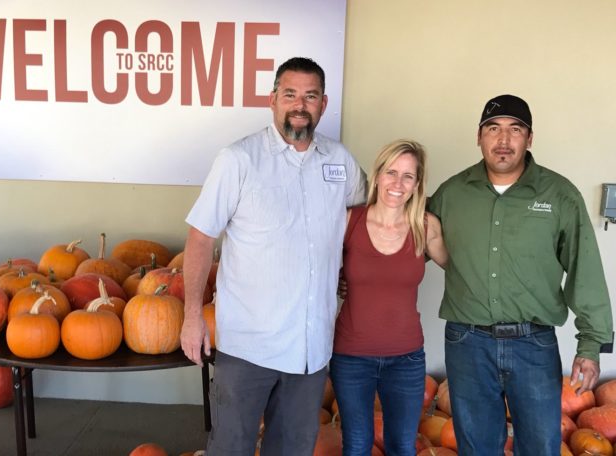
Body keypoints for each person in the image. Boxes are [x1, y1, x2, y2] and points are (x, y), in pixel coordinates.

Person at [180, 57, 367, 455]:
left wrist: (350, 269)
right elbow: (199, 238)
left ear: (323, 103)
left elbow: (365, 218)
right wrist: (192, 316)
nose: (300, 104)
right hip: (249, 347)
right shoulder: (239, 159)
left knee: (293, 449)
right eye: (290, 94)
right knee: (231, 447)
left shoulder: (340, 162)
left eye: (310, 95)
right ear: (273, 99)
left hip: (310, 349)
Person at [427, 94, 613, 454]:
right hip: (468, 344)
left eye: (515, 130)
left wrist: (591, 344)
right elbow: (408, 245)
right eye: (493, 129)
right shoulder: (452, 193)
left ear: (529, 139)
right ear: (479, 137)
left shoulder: (559, 195)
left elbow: (584, 270)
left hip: (533, 344)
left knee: (541, 446)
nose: (503, 140)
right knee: (476, 446)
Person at [331, 140, 447, 455]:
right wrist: (339, 282)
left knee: (402, 446)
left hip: (406, 359)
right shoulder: (348, 221)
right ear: (378, 175)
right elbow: (316, 270)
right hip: (352, 357)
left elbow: (464, 271)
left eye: (408, 176)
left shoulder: (425, 226)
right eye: (391, 172)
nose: (398, 183)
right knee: (356, 444)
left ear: (417, 184)